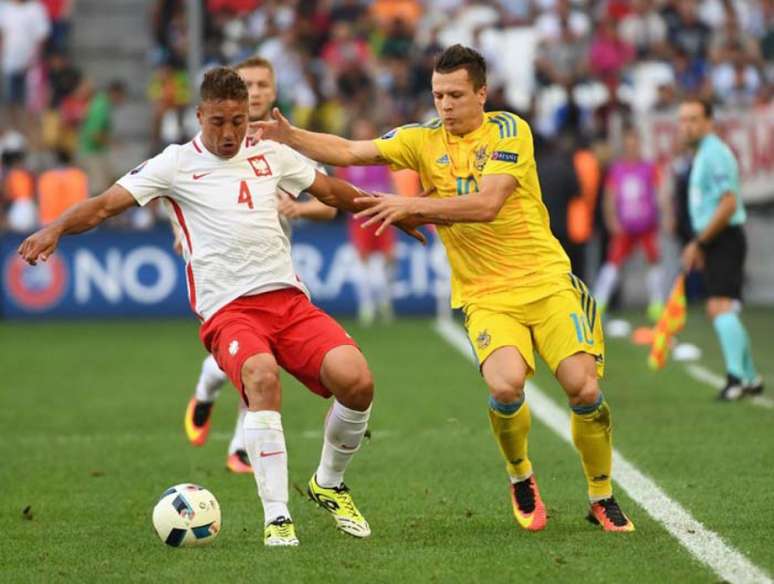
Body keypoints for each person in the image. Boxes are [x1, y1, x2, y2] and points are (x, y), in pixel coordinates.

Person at [18, 66, 429, 547]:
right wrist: (55, 229)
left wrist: (388, 208)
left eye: (237, 120)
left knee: (357, 381)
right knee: (260, 377)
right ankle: (277, 518)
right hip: (228, 309)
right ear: (199, 115)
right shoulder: (172, 164)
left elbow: (331, 192)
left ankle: (328, 483)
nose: (230, 132)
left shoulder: (272, 154)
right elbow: (106, 204)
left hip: (288, 300)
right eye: (218, 121)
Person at [256, 44, 635, 532]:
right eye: (438, 95)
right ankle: (521, 475)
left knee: (583, 389)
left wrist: (411, 207)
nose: (446, 105)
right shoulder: (422, 139)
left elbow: (488, 204)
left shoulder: (509, 131)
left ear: (482, 93)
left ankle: (601, 495)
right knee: (504, 385)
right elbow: (351, 151)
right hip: (485, 293)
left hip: (546, 281)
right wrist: (291, 137)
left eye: (456, 94)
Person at [183, 56, 338, 476]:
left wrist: (300, 210)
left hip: (271, 271)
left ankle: (240, 446)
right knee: (233, 365)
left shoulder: (280, 147)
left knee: (259, 367)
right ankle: (204, 393)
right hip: (223, 277)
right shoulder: (212, 138)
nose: (254, 92)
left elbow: (329, 204)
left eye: (262, 85)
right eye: (247, 83)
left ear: (272, 93)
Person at [678, 99, 763, 401]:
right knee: (723, 309)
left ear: (709, 121)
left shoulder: (714, 153)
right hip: (717, 238)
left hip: (723, 237)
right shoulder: (705, 153)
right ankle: (750, 377)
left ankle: (735, 378)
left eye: (693, 119)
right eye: (683, 120)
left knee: (720, 308)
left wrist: (700, 242)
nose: (686, 125)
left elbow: (728, 203)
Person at [592, 127, 667, 321]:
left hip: (646, 225)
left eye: (635, 144)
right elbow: (609, 197)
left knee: (653, 261)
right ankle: (599, 303)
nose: (632, 148)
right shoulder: (617, 170)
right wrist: (611, 219)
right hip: (625, 226)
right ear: (625, 146)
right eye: (629, 144)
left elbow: (661, 193)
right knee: (613, 262)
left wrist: (667, 215)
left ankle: (657, 304)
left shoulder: (649, 168)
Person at [336, 118, 397, 326]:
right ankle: (366, 306)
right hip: (360, 221)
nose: (362, 133)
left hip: (382, 217)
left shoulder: (382, 158)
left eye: (365, 129)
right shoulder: (347, 162)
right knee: (362, 263)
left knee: (387, 261)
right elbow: (339, 190)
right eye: (359, 130)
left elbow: (392, 185)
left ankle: (384, 301)